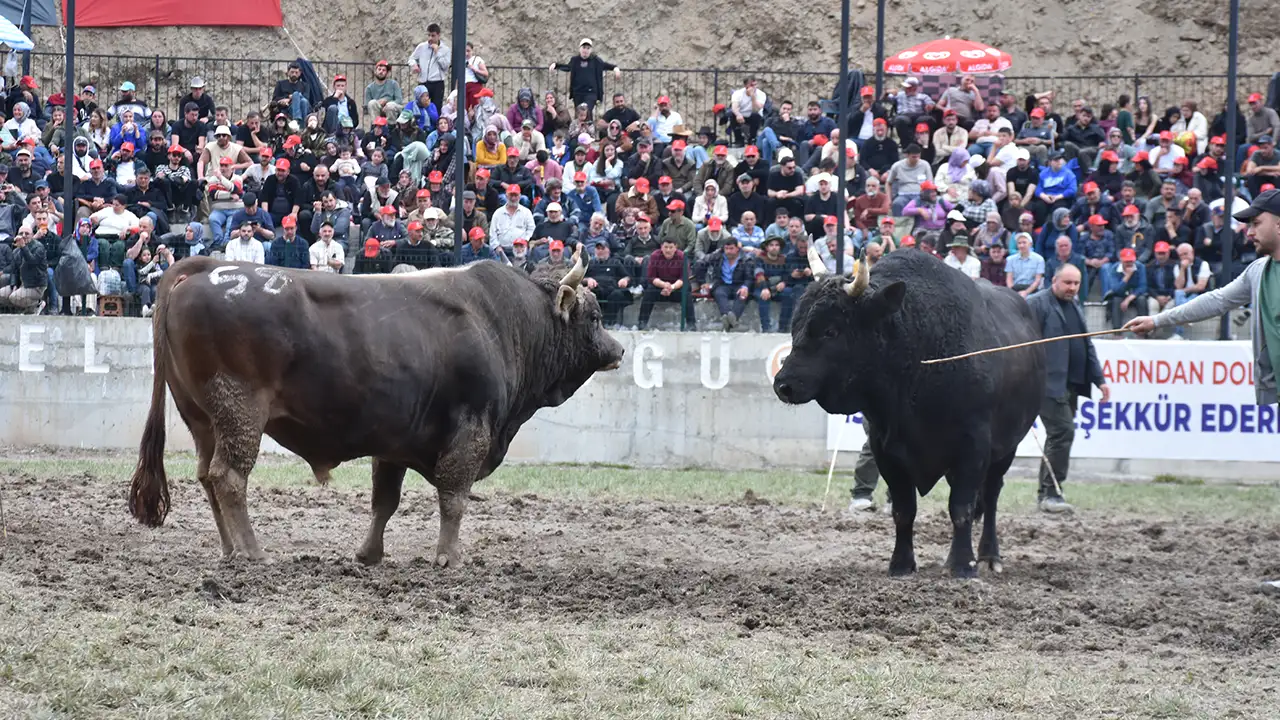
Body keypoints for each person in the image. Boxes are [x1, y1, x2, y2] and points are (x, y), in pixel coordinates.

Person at [1027, 264, 1111, 513]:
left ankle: (1047, 492)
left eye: (1076, 283)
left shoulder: (1075, 305)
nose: (1072, 288)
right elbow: (1024, 342)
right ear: (1054, 281)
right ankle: (1051, 494)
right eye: (1068, 283)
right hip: (1046, 384)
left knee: (1058, 437)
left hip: (1072, 384)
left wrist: (1100, 380)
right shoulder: (1037, 304)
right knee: (1063, 433)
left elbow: (1087, 347)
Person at [549, 38, 621, 117]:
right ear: (580, 49)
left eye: (588, 48)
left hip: (591, 93)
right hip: (578, 93)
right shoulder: (575, 60)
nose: (585, 50)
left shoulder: (596, 60)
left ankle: (589, 129)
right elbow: (568, 67)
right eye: (584, 47)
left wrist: (615, 69)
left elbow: (607, 65)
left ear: (591, 50)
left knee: (586, 111)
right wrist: (556, 65)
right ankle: (579, 129)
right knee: (579, 115)